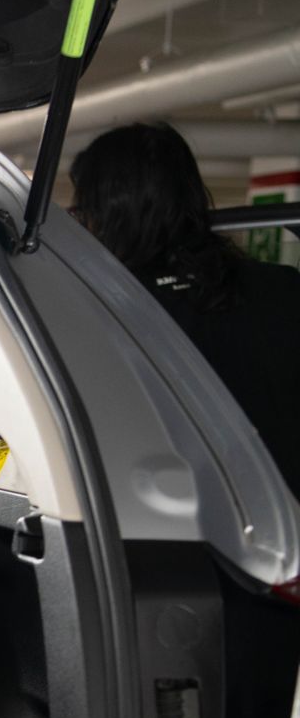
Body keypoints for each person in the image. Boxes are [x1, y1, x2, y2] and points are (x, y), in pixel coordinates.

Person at [71, 122, 300, 493]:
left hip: (186, 532)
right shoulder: (283, 286)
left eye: (83, 211)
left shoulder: (106, 315)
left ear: (109, 212)